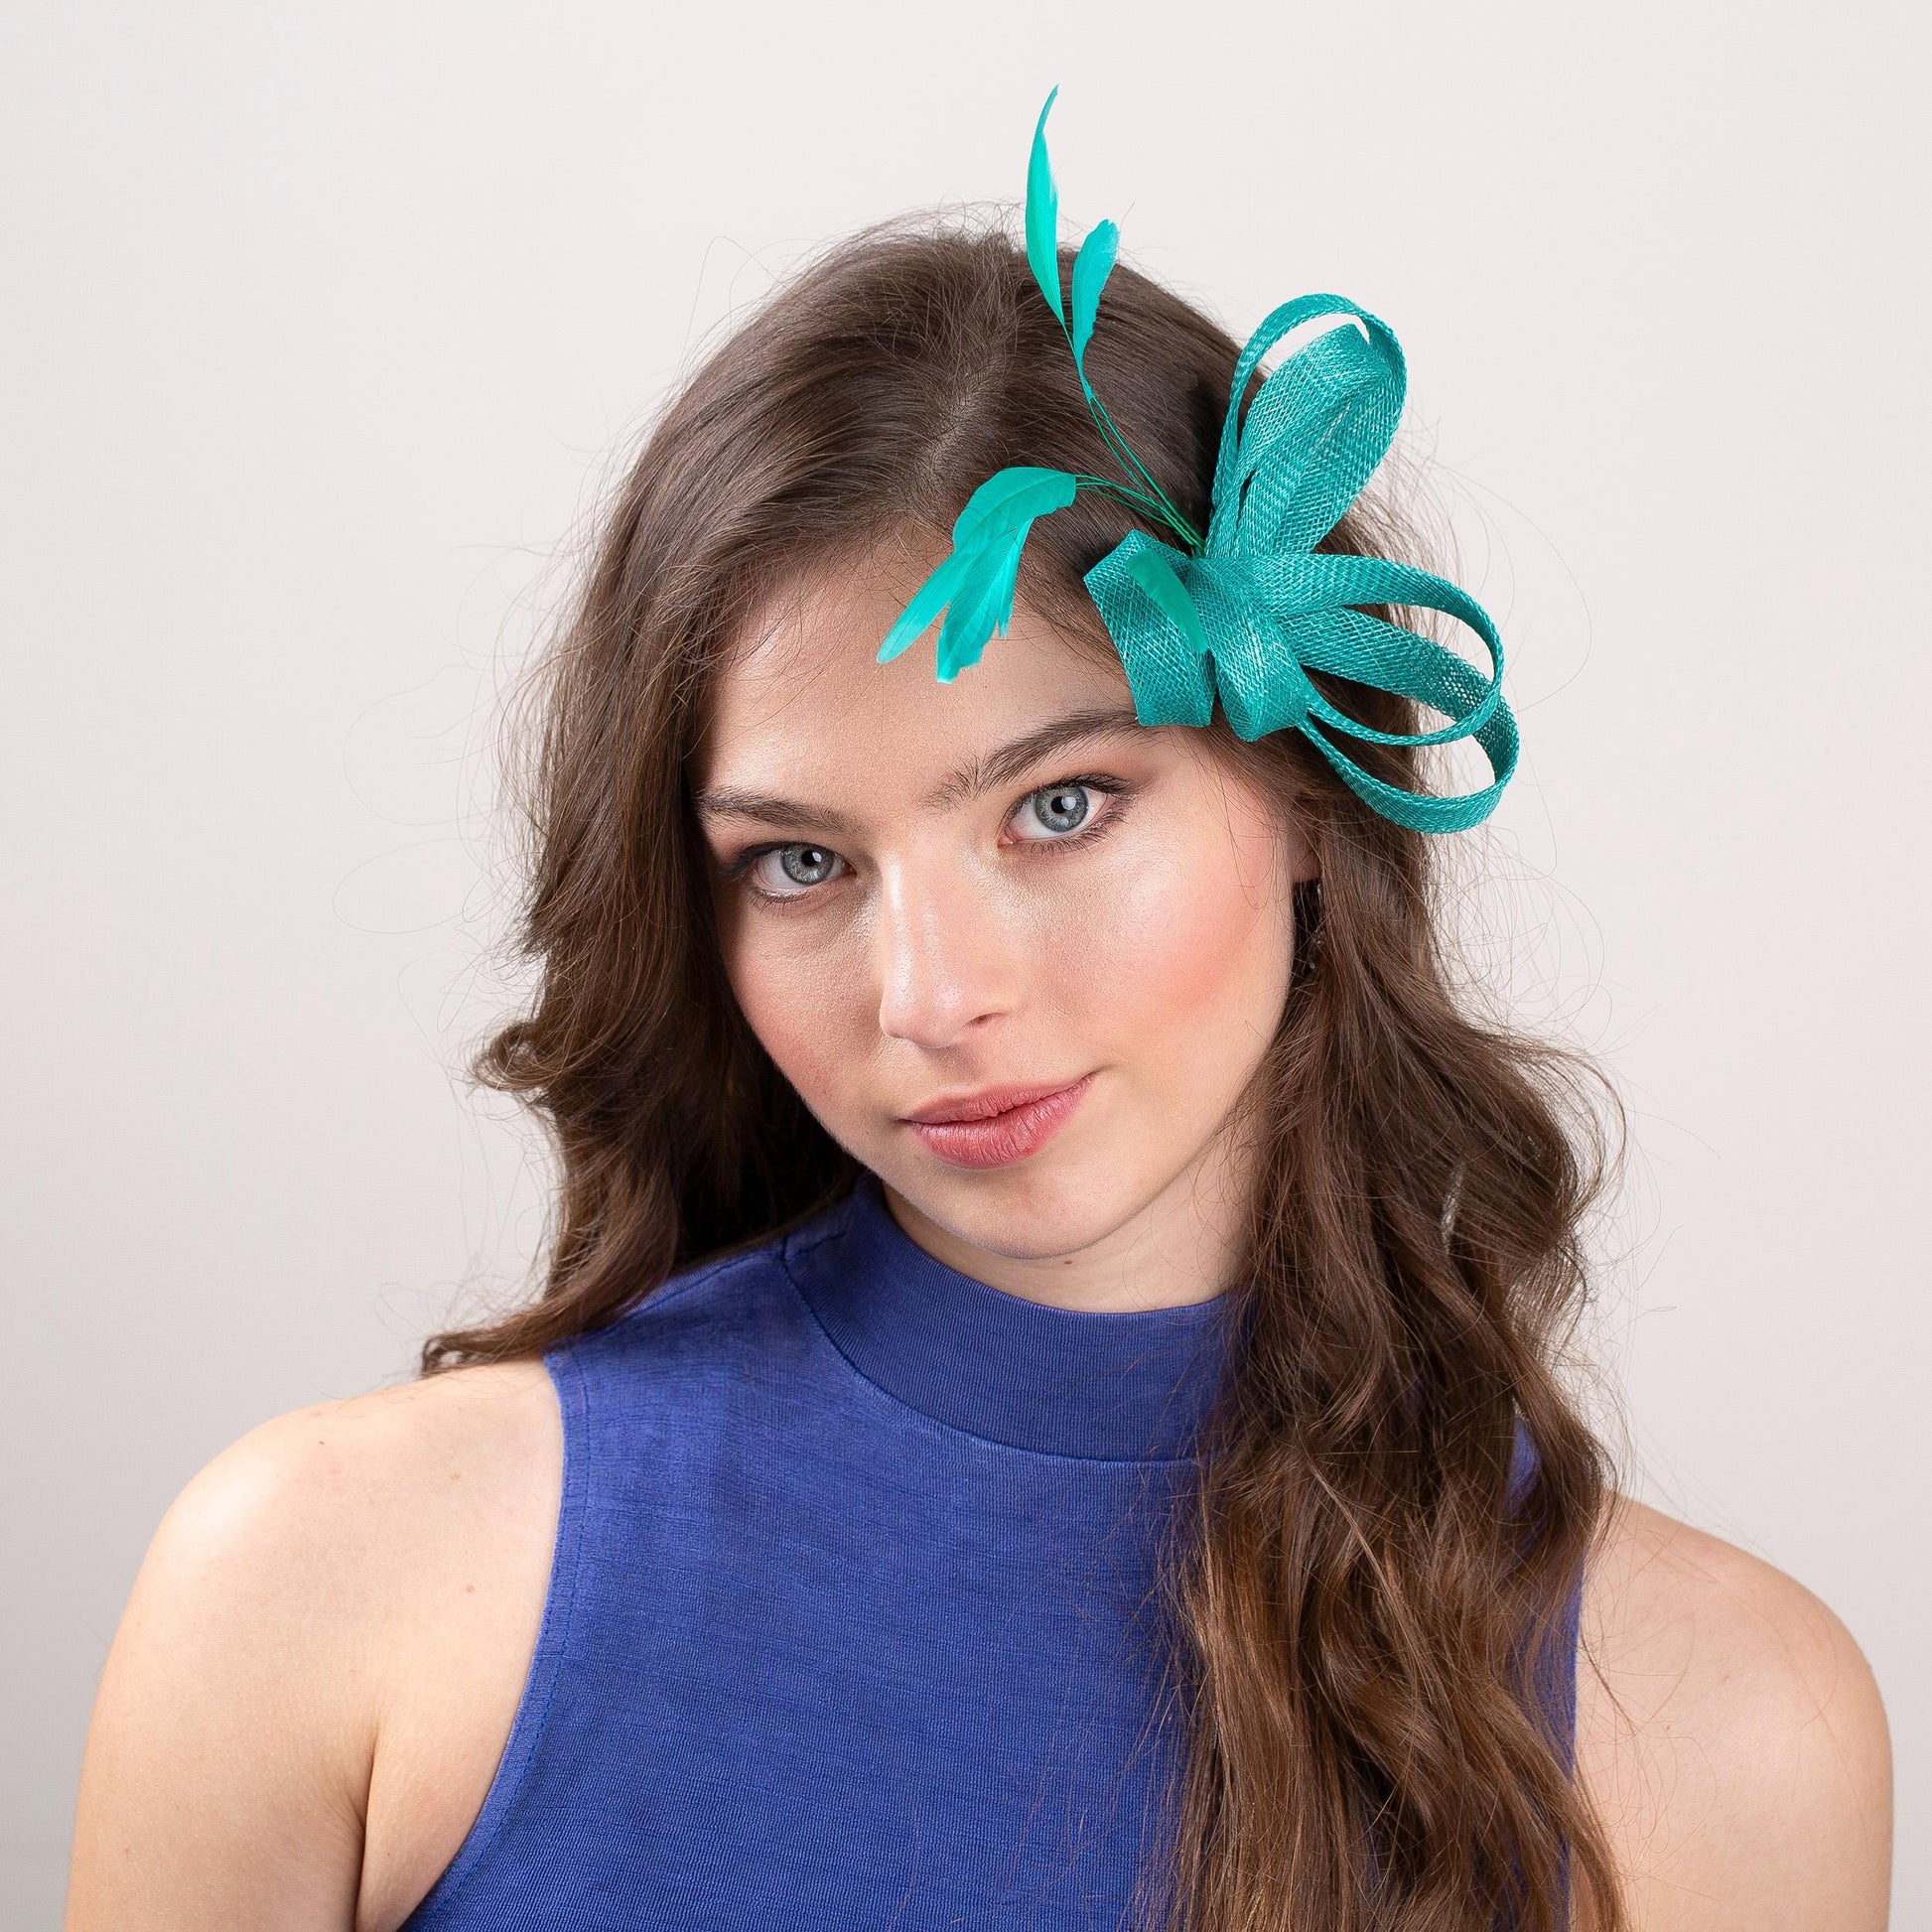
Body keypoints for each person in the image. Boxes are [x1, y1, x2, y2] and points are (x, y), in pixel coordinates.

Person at [65, 94, 1890, 1932]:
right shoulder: (324, 1586)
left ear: (1307, 796)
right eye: (800, 862)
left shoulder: (1723, 1731)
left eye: (1060, 805)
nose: (932, 997)